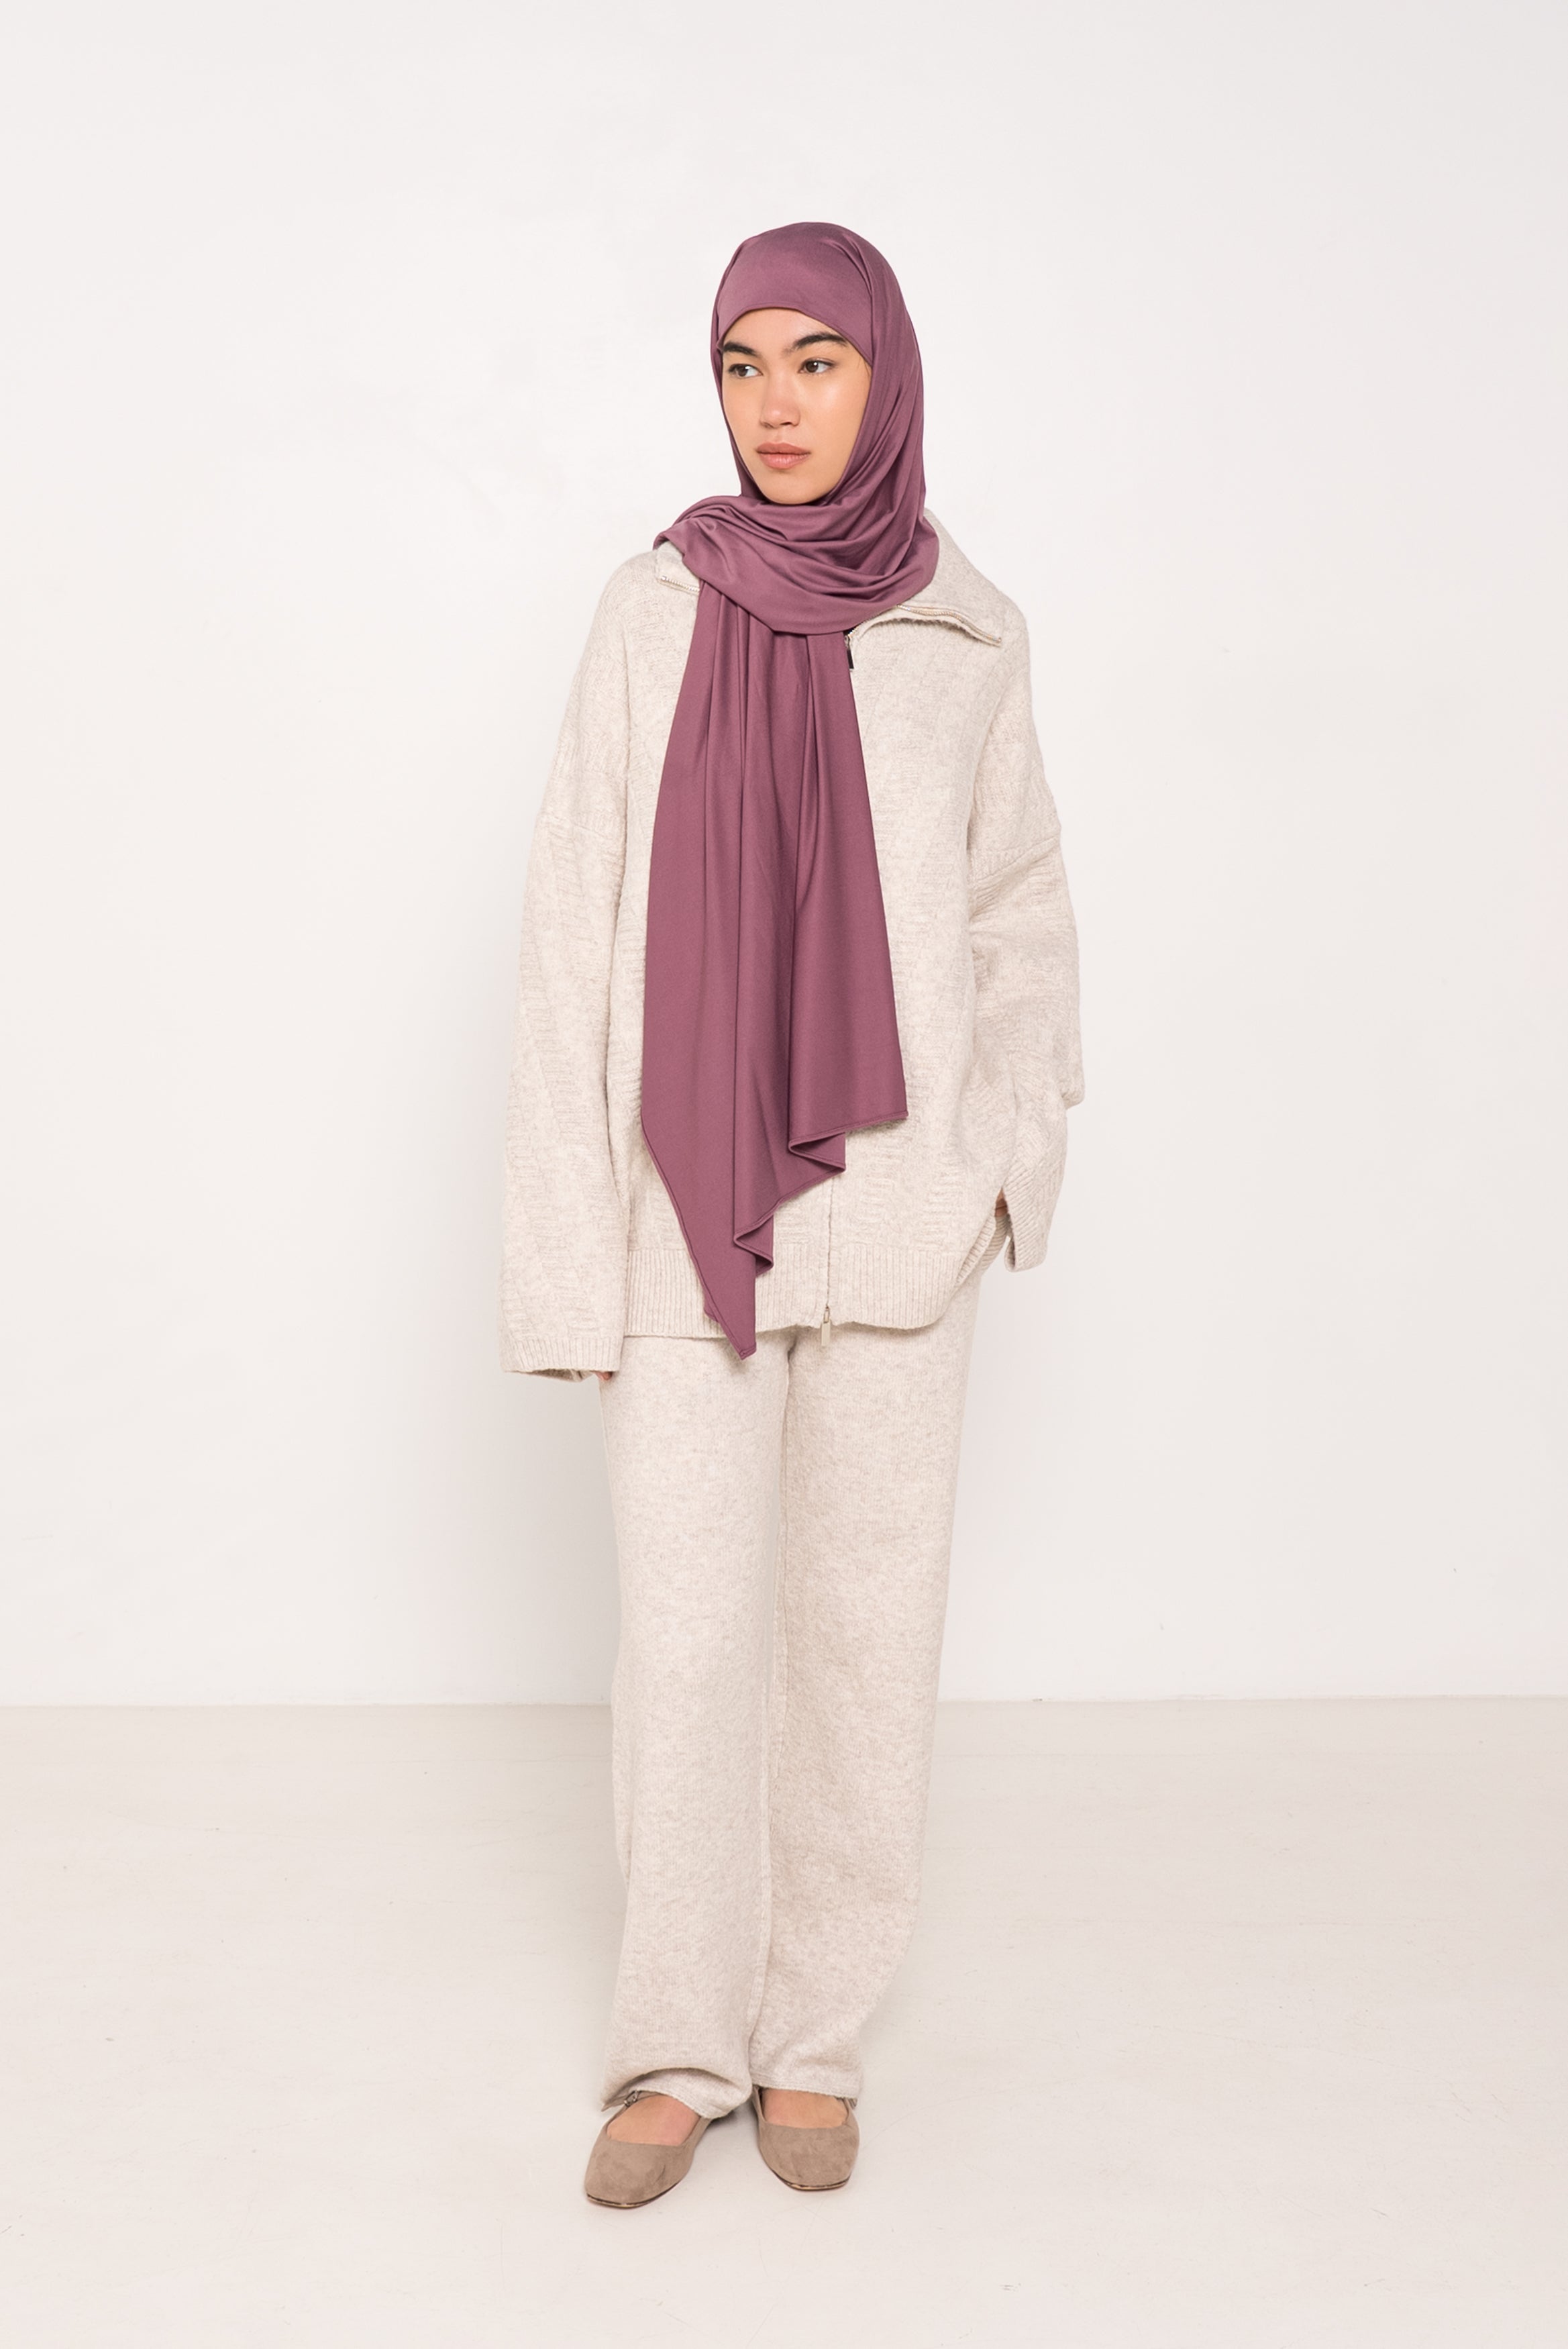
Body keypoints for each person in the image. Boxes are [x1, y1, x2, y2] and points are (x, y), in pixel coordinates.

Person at [500, 221, 1084, 2207]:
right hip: (682, 1212)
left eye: (815, 362)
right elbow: (570, 935)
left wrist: (1002, 1162)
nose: (775, 404)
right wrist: (564, 1258)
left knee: (859, 1637)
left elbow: (1021, 918)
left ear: (882, 377)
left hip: (902, 1222)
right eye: (742, 364)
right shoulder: (650, 611)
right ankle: (678, 2049)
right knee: (685, 1642)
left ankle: (813, 2038)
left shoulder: (968, 633)